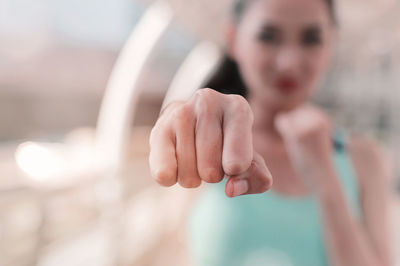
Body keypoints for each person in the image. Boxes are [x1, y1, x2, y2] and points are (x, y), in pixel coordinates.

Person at [148, 0, 392, 265]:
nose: (289, 62)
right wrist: (178, 117)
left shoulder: (362, 157)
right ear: (233, 40)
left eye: (311, 39)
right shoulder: (210, 140)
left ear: (331, 45)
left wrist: (325, 173)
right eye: (268, 37)